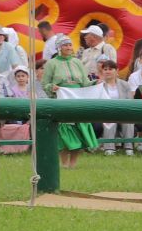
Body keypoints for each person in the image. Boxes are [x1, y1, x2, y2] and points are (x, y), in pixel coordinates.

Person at [39, 37, 98, 168]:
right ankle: (64, 163)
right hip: (61, 98)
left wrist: (95, 83)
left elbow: (85, 82)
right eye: (65, 45)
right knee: (65, 130)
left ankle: (73, 164)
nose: (69, 48)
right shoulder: (51, 63)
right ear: (59, 48)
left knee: (77, 129)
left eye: (70, 45)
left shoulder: (77, 62)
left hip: (77, 98)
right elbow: (45, 83)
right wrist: (51, 87)